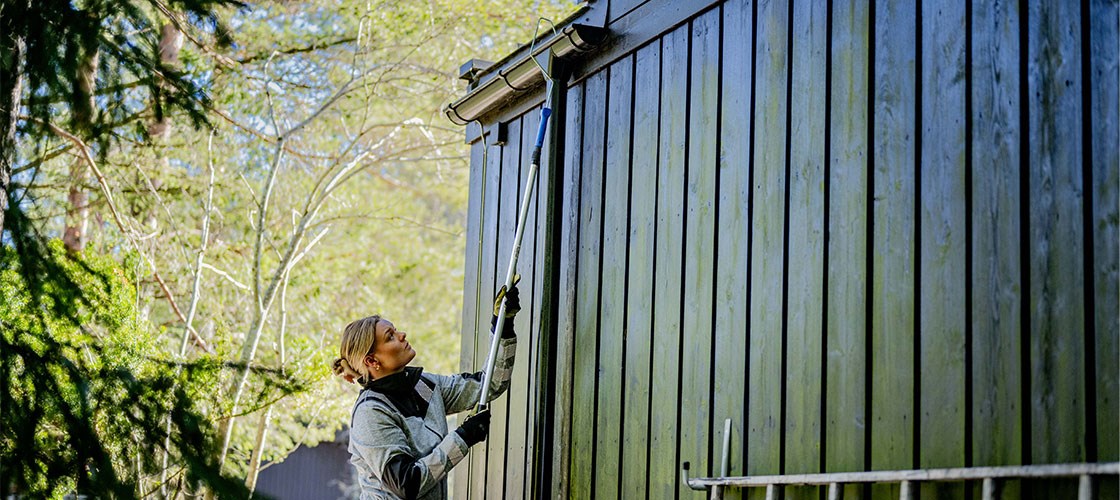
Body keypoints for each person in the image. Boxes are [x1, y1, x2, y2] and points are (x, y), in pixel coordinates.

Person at [332, 283, 521, 500]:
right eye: (390, 336)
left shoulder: (425, 386)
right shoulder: (371, 413)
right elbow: (407, 483)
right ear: (372, 361)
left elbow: (489, 385)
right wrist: (463, 437)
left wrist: (503, 325)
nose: (402, 335)